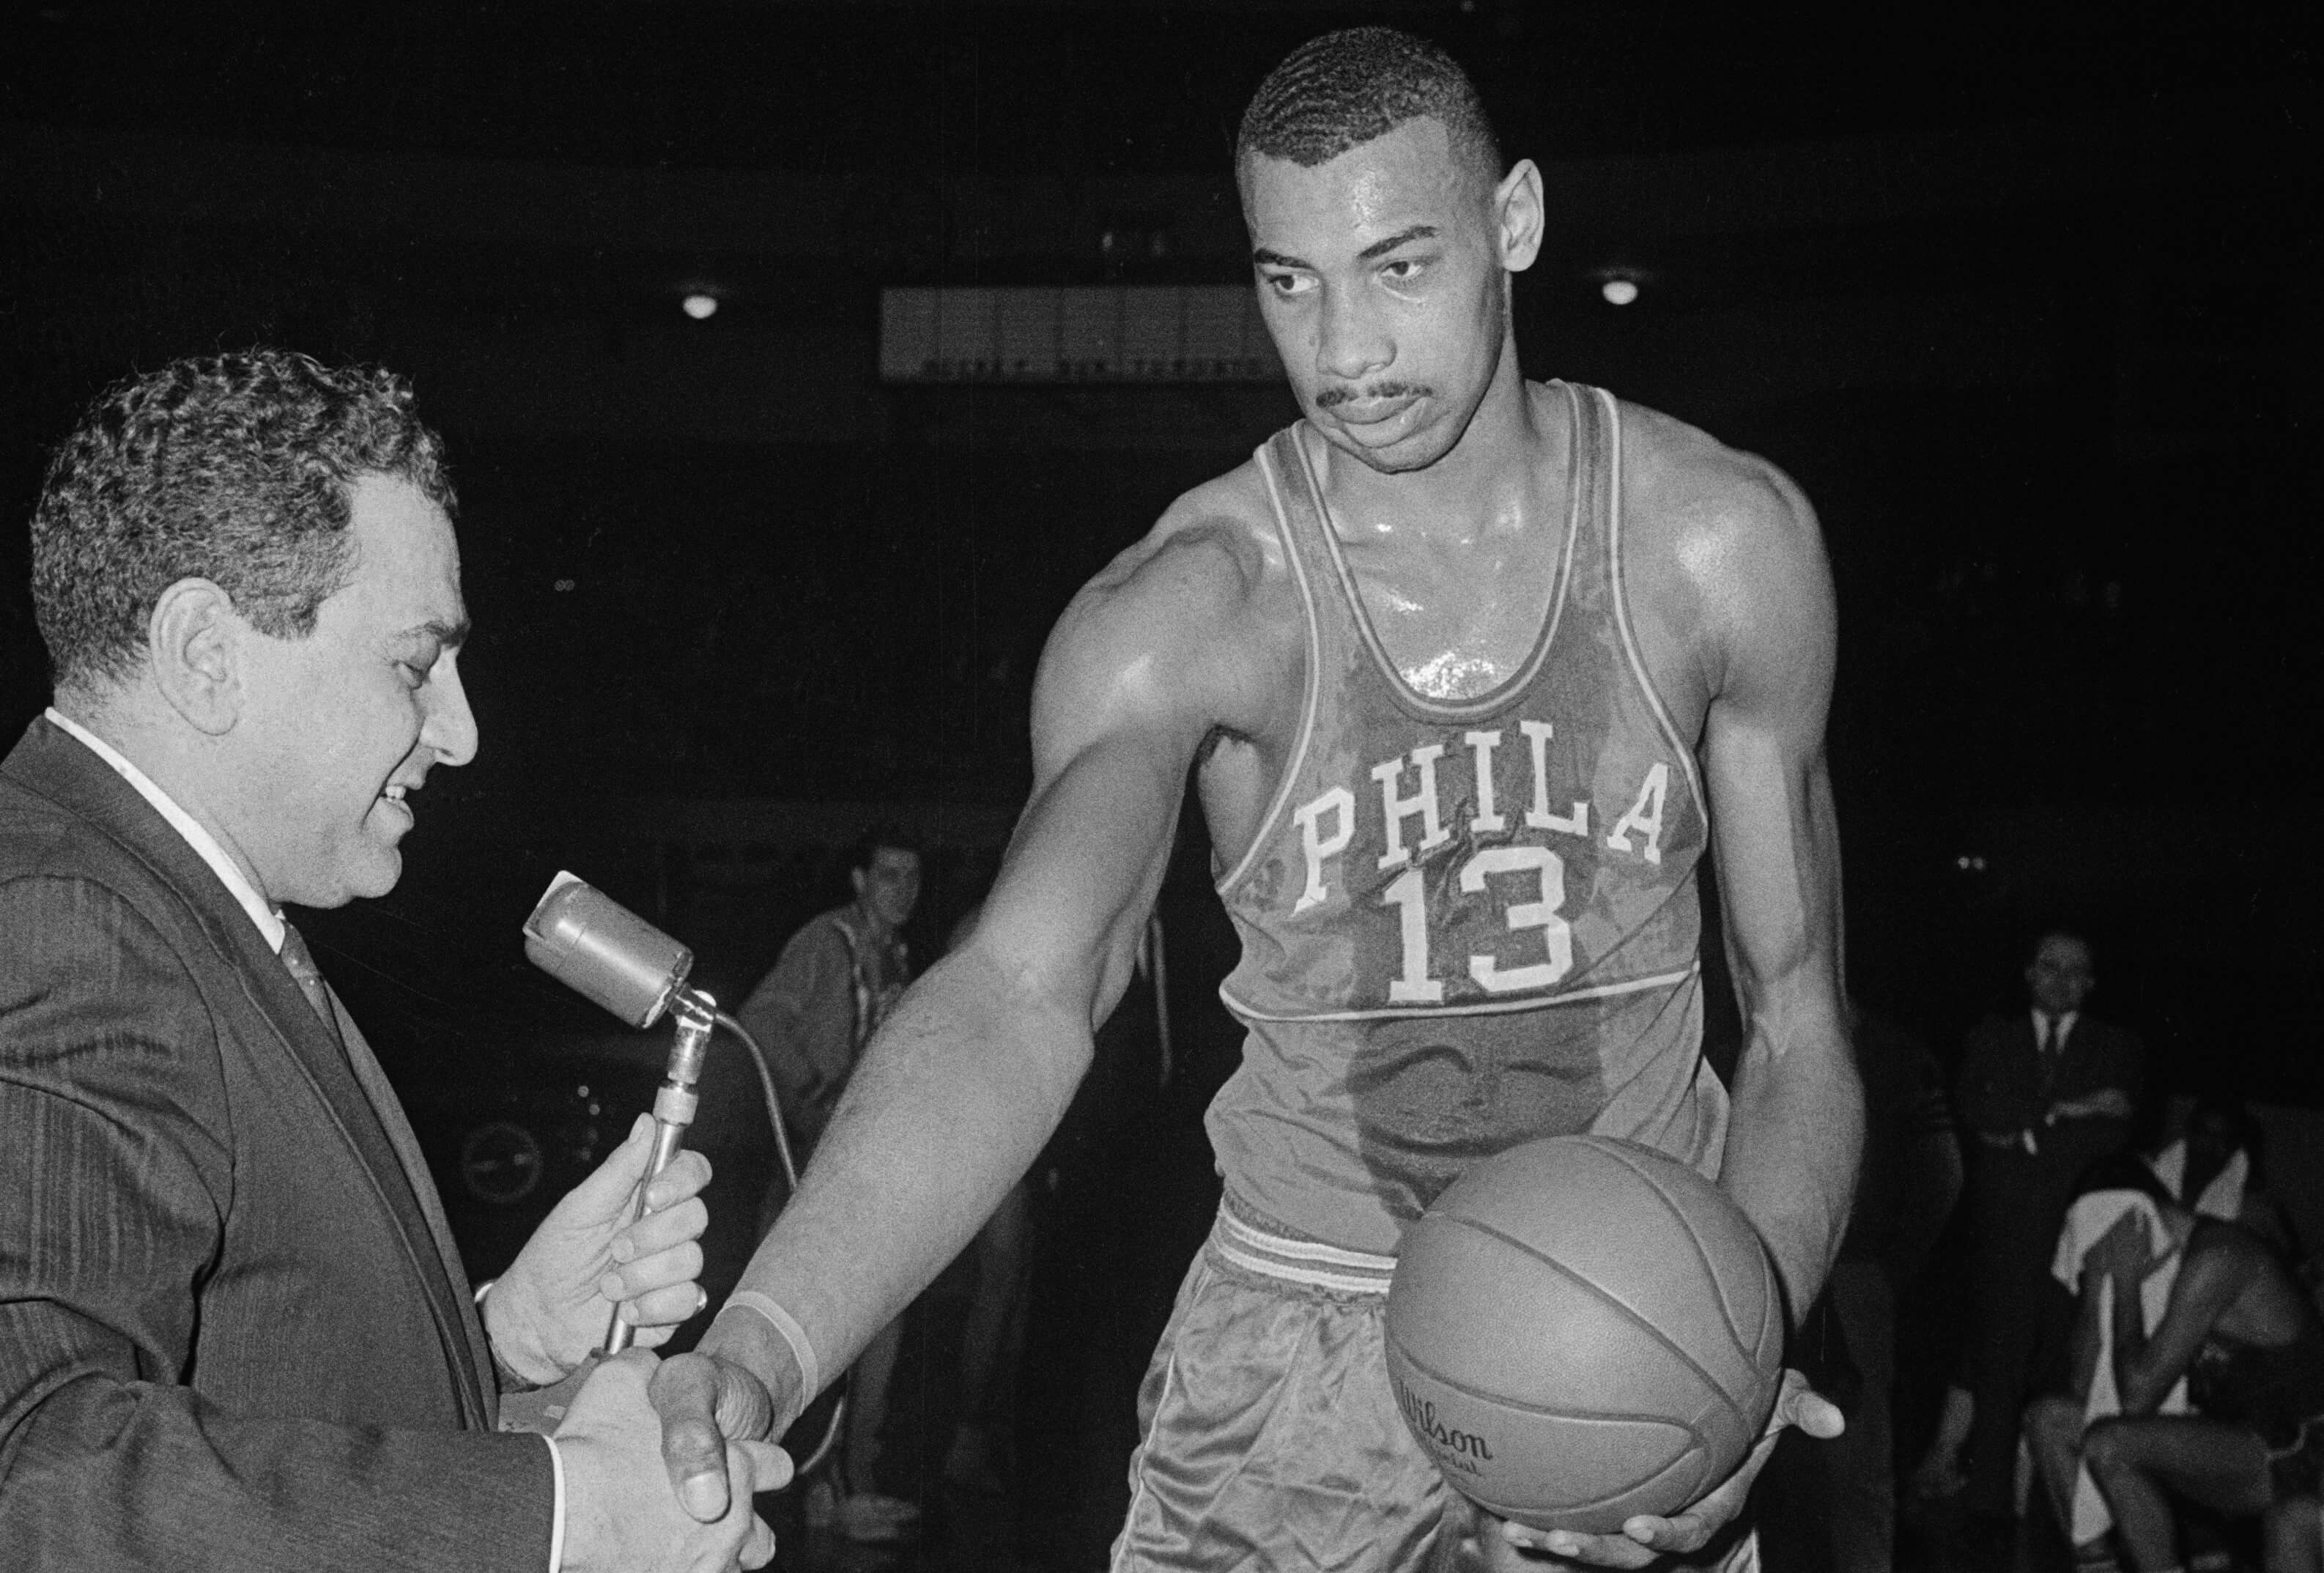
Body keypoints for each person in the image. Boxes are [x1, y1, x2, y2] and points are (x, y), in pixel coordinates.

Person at [657, 26, 1860, 1573]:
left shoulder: (1717, 546)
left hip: (1627, 1324)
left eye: (1397, 267)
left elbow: (1797, 1019)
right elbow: (1021, 990)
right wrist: (763, 1336)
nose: (1343, 350)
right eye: (1289, 281)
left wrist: (1726, 1353)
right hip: (1301, 1355)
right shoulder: (1191, 605)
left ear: (1514, 223)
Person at [0, 349, 784, 1571]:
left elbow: (242, 1371)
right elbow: (34, 1466)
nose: (459, 735)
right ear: (207, 651)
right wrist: (567, 1515)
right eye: (416, 663)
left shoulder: (161, 908)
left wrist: (500, 1339)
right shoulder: (61, 916)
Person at [733, 828, 924, 1541]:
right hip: (805, 1165)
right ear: (857, 878)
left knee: (874, 1318)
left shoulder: (894, 956)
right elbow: (760, 1017)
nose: (902, 889)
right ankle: (808, 1491)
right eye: (888, 874)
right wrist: (812, 1096)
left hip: (861, 1169)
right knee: (801, 1327)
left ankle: (847, 1482)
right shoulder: (826, 941)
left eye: (913, 877)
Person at [2024, 1161, 2324, 1573]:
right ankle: (2097, 1566)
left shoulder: (2218, 1257)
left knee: (2110, 1444)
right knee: (2049, 1419)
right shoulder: (2160, 1260)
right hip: (2234, 1433)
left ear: (2133, 1217)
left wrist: (2126, 1284)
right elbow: (2081, 1382)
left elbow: (2135, 1402)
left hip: (2297, 1450)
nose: (2099, 1252)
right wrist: (2097, 1291)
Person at [1954, 930, 2146, 1533]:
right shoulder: (1992, 1039)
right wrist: (2073, 1110)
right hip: (2008, 1233)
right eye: (2050, 965)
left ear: (2092, 982)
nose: (2062, 978)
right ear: (2029, 974)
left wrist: (2032, 1131)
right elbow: (1984, 1116)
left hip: (2081, 1232)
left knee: (2073, 1365)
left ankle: (2065, 1508)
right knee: (1999, 1360)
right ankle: (1988, 1505)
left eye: (2077, 969)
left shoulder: (2117, 1046)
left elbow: (2115, 1133)